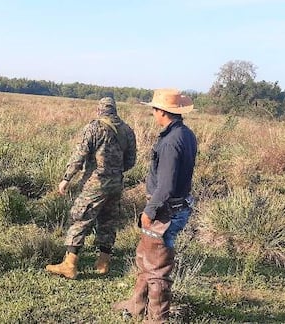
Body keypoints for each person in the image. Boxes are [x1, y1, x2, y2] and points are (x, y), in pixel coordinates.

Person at [112, 88, 197, 323]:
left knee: (157, 269)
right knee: (145, 257)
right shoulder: (185, 134)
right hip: (174, 207)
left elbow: (166, 185)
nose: (153, 113)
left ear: (162, 111)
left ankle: (156, 318)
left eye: (154, 109)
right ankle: (136, 305)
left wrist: (149, 211)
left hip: (165, 211)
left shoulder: (170, 141)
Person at [45, 95, 137, 280]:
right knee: (108, 221)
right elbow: (131, 161)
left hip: (94, 185)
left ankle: (70, 264)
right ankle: (103, 262)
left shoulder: (93, 128)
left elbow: (80, 155)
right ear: (115, 110)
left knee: (80, 218)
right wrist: (114, 171)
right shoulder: (127, 130)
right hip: (116, 184)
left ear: (99, 110)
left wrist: (66, 178)